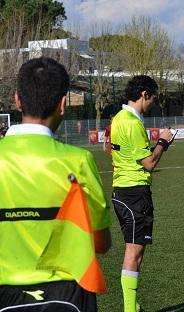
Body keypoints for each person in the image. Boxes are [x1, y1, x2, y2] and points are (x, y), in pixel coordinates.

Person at [0, 57, 111, 311]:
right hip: (69, 296)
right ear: (63, 104)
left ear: (17, 99)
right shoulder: (79, 161)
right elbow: (101, 243)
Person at [110, 75, 173, 312]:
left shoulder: (118, 118)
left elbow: (111, 149)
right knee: (134, 250)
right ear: (144, 94)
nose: (153, 103)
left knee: (135, 247)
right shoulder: (131, 122)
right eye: (153, 98)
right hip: (134, 193)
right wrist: (163, 141)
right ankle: (129, 308)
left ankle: (132, 305)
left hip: (122, 190)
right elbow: (149, 163)